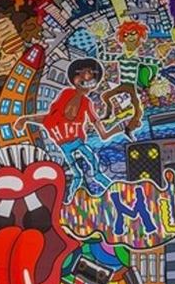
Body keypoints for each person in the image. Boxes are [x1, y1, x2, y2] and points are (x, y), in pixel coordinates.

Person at [20, 58, 112, 192]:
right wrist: (26, 119)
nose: (87, 77)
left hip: (77, 141)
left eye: (91, 75)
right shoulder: (67, 94)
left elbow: (94, 121)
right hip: (64, 144)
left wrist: (106, 132)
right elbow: (61, 116)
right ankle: (72, 196)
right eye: (82, 73)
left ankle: (108, 185)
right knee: (77, 175)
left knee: (92, 161)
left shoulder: (86, 102)